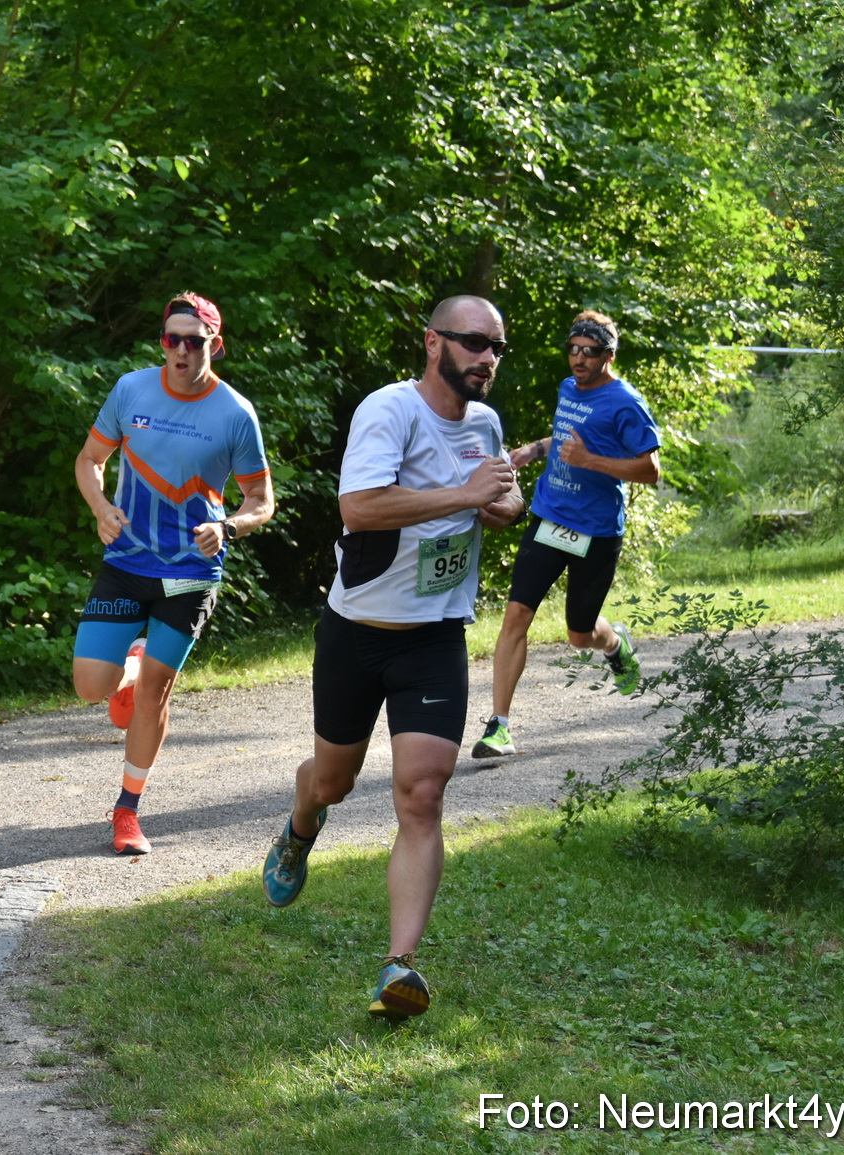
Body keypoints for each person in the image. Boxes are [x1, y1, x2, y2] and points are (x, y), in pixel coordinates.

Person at [260, 295, 522, 1019]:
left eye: (498, 347)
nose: (487, 358)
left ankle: (397, 966)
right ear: (433, 343)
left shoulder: (488, 424)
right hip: (359, 629)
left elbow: (502, 494)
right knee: (334, 780)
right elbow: (360, 508)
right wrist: (462, 495)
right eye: (474, 342)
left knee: (423, 791)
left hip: (435, 634)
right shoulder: (390, 410)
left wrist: (501, 504)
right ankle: (300, 824)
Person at [72, 292, 274, 856]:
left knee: (160, 688)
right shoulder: (131, 389)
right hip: (126, 562)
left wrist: (230, 527)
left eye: (194, 340)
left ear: (216, 345)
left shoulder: (235, 414)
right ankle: (127, 672)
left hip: (191, 572)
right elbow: (89, 460)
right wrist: (100, 508)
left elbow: (261, 498)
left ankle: (127, 810)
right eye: (171, 339)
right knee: (91, 687)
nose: (181, 350)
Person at [472, 310, 662, 760]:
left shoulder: (626, 403)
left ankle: (614, 643)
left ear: (608, 355)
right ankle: (499, 726)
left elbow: (650, 470)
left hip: (596, 531)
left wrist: (590, 461)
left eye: (589, 352)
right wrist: (537, 449)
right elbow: (566, 438)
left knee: (579, 635)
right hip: (550, 516)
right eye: (572, 350)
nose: (578, 359)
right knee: (516, 614)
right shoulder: (567, 388)